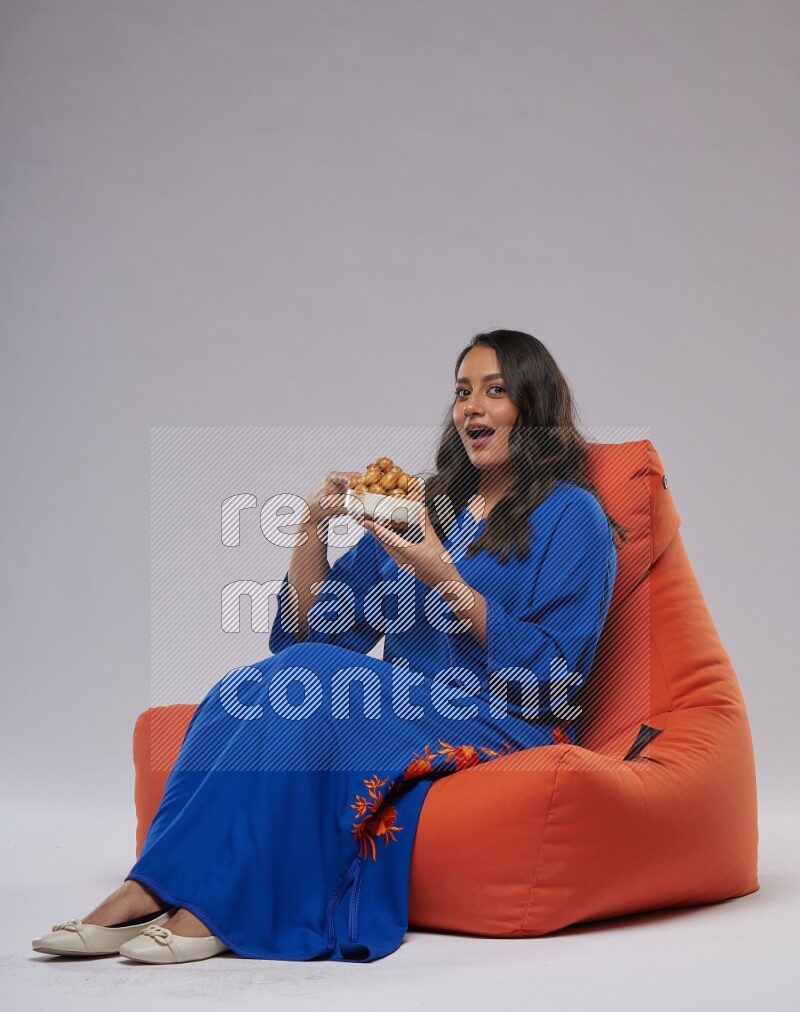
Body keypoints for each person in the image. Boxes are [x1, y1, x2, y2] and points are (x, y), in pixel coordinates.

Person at [32, 330, 624, 965]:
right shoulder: (426, 506)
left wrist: (445, 580)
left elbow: (557, 677)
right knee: (244, 687)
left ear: (532, 405)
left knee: (312, 683)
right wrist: (312, 528)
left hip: (500, 716)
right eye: (461, 392)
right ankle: (146, 885)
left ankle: (218, 908)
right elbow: (308, 635)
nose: (471, 408)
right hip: (408, 700)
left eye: (495, 391)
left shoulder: (574, 516)